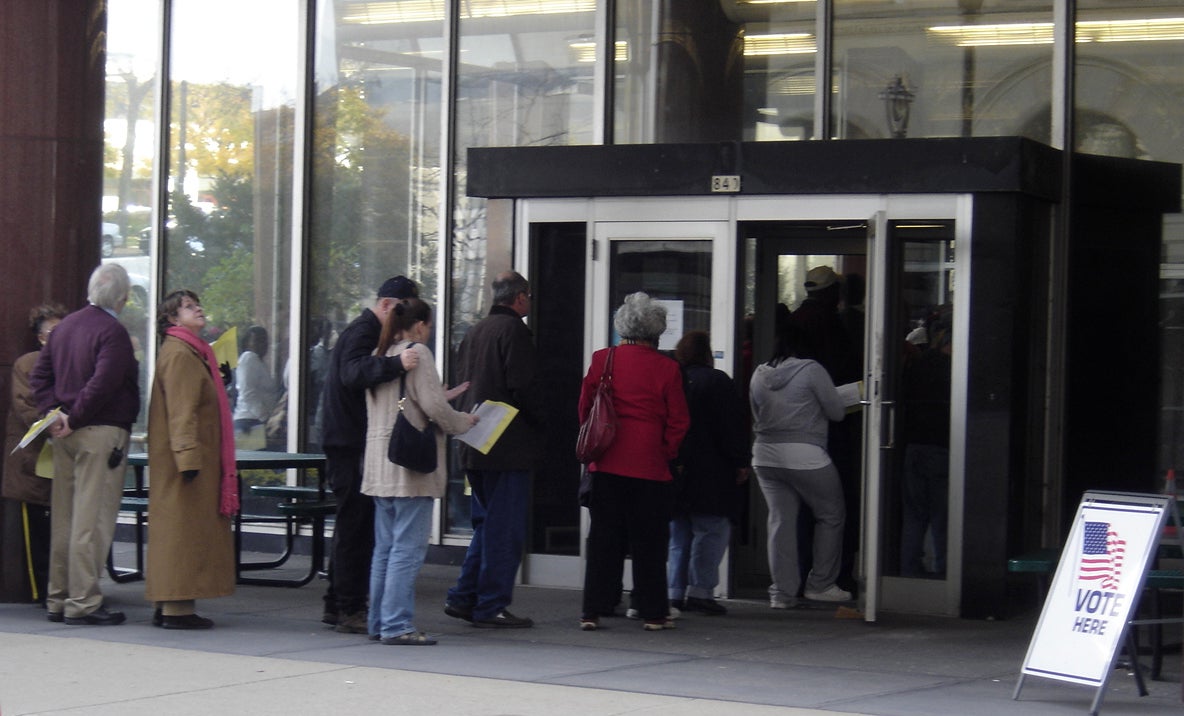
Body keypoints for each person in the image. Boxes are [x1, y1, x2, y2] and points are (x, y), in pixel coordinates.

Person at [30, 263, 141, 626]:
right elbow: (104, 382)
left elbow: (40, 376)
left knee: (64, 518)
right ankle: (83, 602)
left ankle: (58, 598)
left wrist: (55, 414)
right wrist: (75, 416)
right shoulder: (113, 333)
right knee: (92, 521)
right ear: (122, 298)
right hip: (101, 433)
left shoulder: (64, 329)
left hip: (64, 434)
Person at [363, 299, 477, 645]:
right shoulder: (418, 353)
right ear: (421, 325)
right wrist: (464, 422)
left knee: (384, 549)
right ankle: (397, 625)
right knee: (407, 550)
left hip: (380, 464)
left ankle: (379, 622)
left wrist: (441, 398)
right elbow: (431, 408)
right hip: (410, 469)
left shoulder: (380, 354)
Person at [578, 293, 689, 632]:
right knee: (650, 543)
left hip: (607, 463)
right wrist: (667, 452)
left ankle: (593, 611)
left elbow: (585, 408)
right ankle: (653, 612)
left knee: (603, 540)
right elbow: (679, 420)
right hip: (650, 466)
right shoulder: (668, 368)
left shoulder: (602, 360)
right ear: (656, 331)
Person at [319, 276, 420, 633]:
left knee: (356, 527)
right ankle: (349, 607)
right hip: (350, 444)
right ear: (389, 305)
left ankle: (339, 603)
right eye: (405, 312)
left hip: (348, 440)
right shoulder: (363, 332)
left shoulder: (365, 331)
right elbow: (353, 374)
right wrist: (396, 365)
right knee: (356, 528)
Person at [445, 271, 543, 629]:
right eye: (528, 296)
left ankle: (463, 596)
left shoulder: (474, 331)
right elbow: (524, 386)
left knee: (486, 524)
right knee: (505, 528)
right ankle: (491, 604)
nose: (529, 302)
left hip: (474, 441)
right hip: (507, 445)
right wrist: (544, 422)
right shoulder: (514, 331)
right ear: (519, 297)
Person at [145, 290, 238, 629]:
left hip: (187, 459)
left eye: (197, 303)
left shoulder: (189, 352)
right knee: (182, 534)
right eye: (187, 306)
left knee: (179, 532)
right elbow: (182, 412)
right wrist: (187, 459)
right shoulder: (183, 354)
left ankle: (169, 602)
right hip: (187, 462)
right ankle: (177, 609)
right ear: (172, 319)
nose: (197, 308)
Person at [749, 320, 851, 609]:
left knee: (780, 520)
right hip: (806, 454)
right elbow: (836, 412)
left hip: (765, 454)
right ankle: (820, 584)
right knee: (831, 514)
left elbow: (756, 412)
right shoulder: (812, 370)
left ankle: (781, 593)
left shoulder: (759, 374)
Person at [667, 331, 750, 616]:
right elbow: (731, 426)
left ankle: (674, 591)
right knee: (710, 531)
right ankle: (700, 591)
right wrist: (740, 461)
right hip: (713, 469)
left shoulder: (673, 379)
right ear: (707, 353)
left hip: (679, 467)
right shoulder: (718, 382)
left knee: (679, 534)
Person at [2, 303, 68, 603]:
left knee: (60, 529)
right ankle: (39, 591)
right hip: (33, 460)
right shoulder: (26, 364)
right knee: (37, 533)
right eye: (53, 332)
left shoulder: (71, 361)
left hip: (61, 459)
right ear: (41, 337)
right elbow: (26, 407)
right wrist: (54, 421)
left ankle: (58, 588)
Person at [899, 307, 952, 577]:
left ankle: (908, 571)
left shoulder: (919, 363)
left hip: (913, 447)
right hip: (940, 448)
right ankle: (944, 572)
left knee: (914, 515)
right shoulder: (953, 371)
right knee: (942, 517)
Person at [233, 325, 277, 449]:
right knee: (255, 466)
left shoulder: (259, 362)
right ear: (247, 342)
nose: (262, 344)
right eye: (257, 340)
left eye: (265, 340)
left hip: (255, 422)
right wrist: (265, 417)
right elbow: (248, 393)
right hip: (249, 423)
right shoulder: (249, 358)